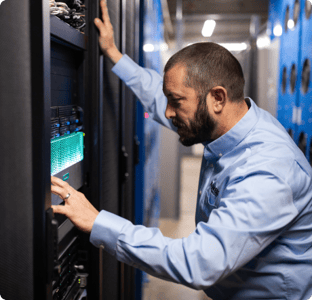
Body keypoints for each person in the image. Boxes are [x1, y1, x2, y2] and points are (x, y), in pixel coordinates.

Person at [51, 1, 312, 299]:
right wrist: (113, 53)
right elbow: (156, 95)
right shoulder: (227, 120)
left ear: (217, 98)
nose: (168, 113)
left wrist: (99, 222)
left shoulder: (267, 169)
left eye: (176, 101)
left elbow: (199, 263)